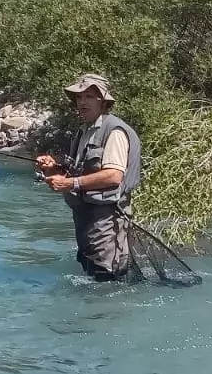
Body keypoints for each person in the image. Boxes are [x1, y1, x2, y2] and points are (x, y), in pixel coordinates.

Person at [35, 73, 142, 282]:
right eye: (79, 97)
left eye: (89, 97)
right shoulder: (84, 131)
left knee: (107, 278)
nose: (82, 102)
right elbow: (77, 174)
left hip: (108, 220)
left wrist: (69, 183)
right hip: (86, 219)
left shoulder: (114, 131)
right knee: (91, 273)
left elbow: (113, 176)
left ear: (103, 101)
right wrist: (51, 170)